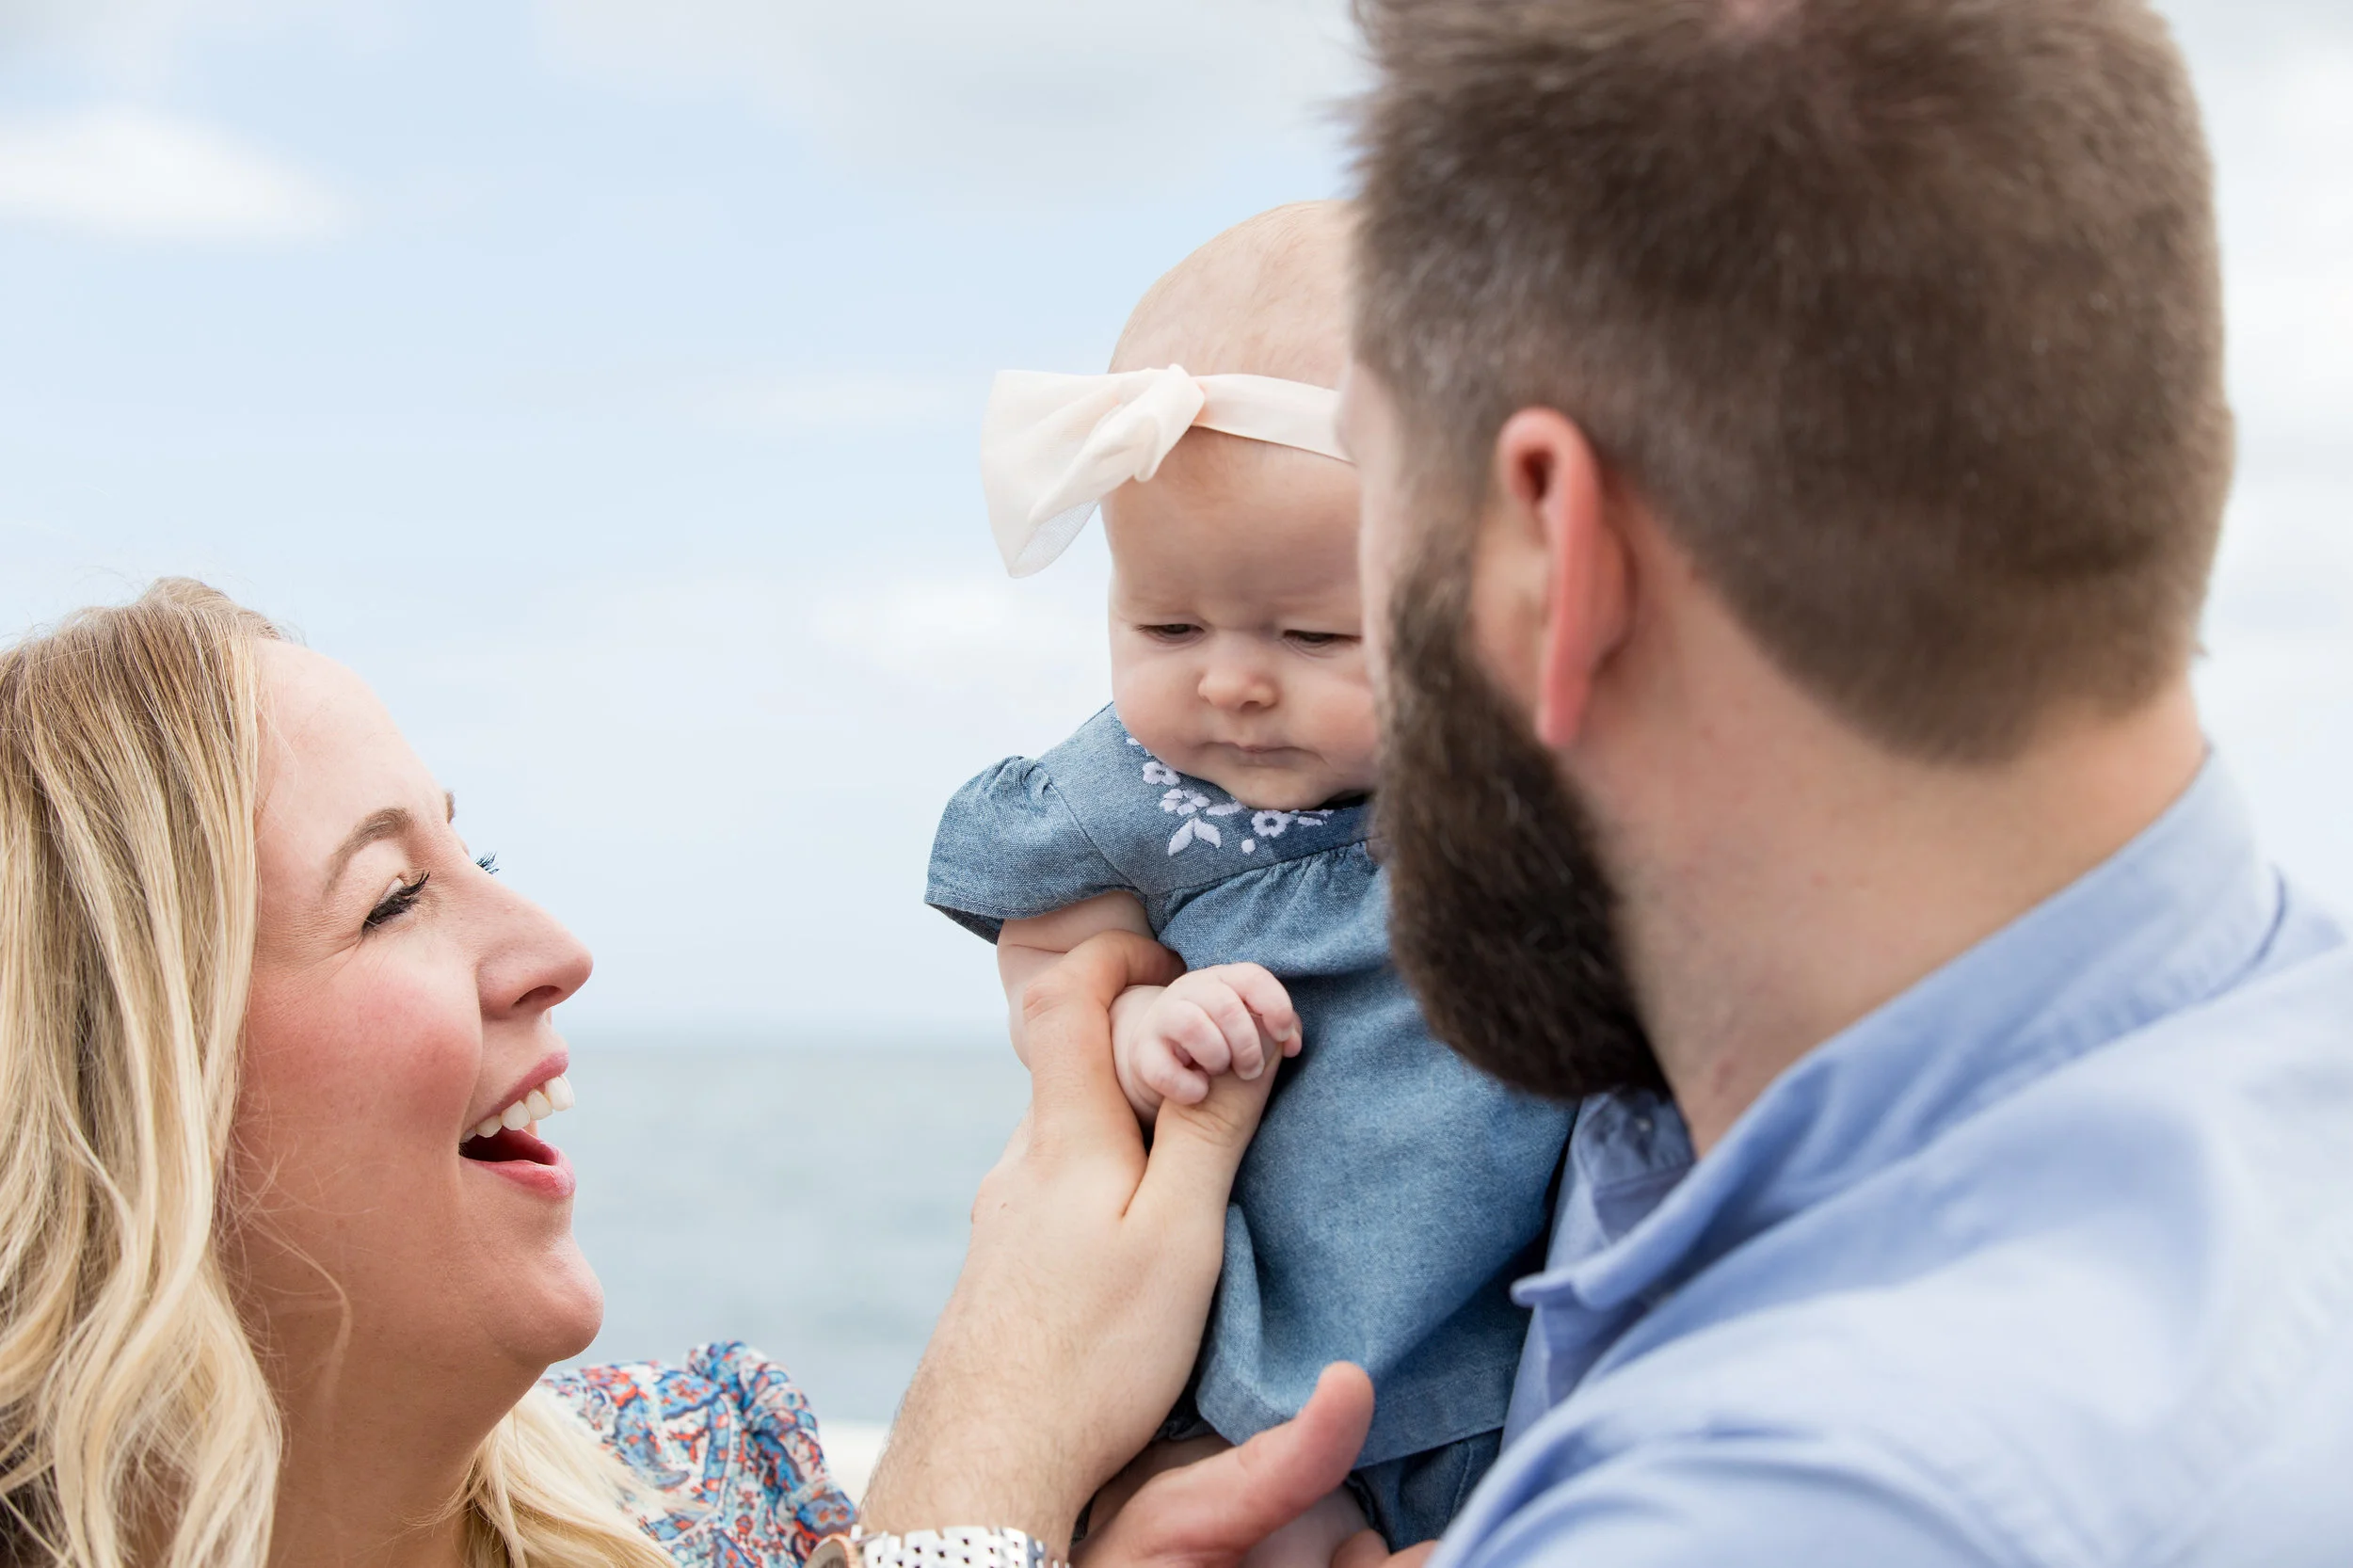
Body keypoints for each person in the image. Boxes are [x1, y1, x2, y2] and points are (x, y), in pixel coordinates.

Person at [857, 0, 2353, 1563]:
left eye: (1354, 574)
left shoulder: (1788, 1503)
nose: (1245, 682)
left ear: (1552, 560)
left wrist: (983, 1451)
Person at [927, 200, 1570, 1558]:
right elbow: (1052, 973)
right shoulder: (1146, 798)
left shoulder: (1540, 777)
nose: (1229, 681)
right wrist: (1137, 1023)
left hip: (1495, 1347)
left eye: (1316, 635)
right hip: (1238, 1365)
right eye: (1165, 624)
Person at [0, 580, 855, 1567]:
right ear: (113, 1111)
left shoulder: (718, 1487)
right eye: (395, 898)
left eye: (475, 855)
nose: (560, 951)